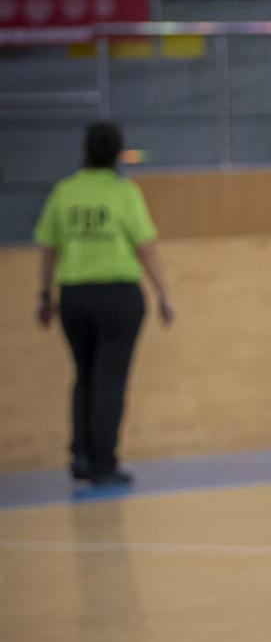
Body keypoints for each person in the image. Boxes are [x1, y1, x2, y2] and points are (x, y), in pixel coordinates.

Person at [33, 120, 174, 487]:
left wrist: (45, 295)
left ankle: (80, 456)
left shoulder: (64, 191)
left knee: (84, 375)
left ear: (85, 151)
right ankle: (104, 463)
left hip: (74, 296)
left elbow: (48, 246)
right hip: (118, 296)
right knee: (110, 380)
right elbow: (145, 246)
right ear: (117, 154)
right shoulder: (123, 192)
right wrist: (163, 293)